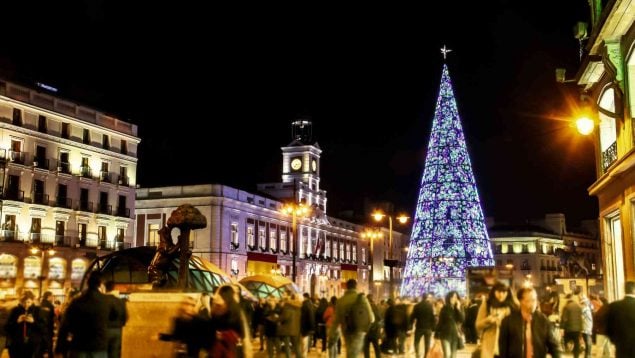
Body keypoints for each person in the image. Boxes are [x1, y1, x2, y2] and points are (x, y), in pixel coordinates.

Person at [55, 271, 115, 357]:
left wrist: (59, 348)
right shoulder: (107, 301)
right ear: (100, 284)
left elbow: (65, 326)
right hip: (99, 347)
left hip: (79, 347)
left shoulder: (77, 302)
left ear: (88, 283)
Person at [498, 287, 561, 358]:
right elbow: (503, 348)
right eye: (529, 300)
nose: (533, 303)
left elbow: (554, 346)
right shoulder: (508, 321)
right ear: (521, 301)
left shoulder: (543, 320)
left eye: (534, 300)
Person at [329, 279, 374, 358]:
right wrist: (365, 329)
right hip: (359, 331)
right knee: (353, 353)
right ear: (356, 286)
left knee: (350, 352)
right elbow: (372, 318)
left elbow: (336, 321)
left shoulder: (340, 301)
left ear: (346, 287)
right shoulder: (362, 299)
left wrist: (331, 334)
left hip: (347, 331)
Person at [476, 282, 517, 358]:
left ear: (508, 293)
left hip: (509, 346)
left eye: (504, 292)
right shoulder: (487, 304)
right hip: (491, 347)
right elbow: (478, 325)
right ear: (494, 292)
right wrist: (488, 320)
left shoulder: (514, 306)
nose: (501, 295)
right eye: (498, 292)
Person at [211, 284, 253, 358]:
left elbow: (243, 332)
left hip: (232, 347)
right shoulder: (217, 309)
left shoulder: (236, 309)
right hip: (221, 348)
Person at [5, 292, 43, 358]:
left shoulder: (38, 310)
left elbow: (43, 328)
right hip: (17, 344)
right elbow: (7, 328)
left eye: (28, 302)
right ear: (20, 301)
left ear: (32, 301)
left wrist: (33, 322)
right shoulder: (15, 310)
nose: (26, 305)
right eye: (24, 302)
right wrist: (17, 321)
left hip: (32, 344)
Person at [606, 281, 635, 358]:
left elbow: (608, 327)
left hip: (621, 345)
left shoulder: (614, 306)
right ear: (634, 290)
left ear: (624, 290)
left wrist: (615, 340)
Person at [435, 291, 464, 358]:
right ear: (449, 298)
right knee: (447, 355)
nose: (453, 299)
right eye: (452, 297)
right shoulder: (445, 308)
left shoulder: (458, 308)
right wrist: (436, 335)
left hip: (455, 335)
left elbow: (462, 319)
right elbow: (441, 322)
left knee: (453, 356)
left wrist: (458, 308)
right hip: (445, 335)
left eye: (455, 297)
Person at [103, 281, 128, 358]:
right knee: (115, 353)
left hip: (104, 330)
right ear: (114, 288)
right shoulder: (119, 301)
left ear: (105, 288)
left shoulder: (101, 300)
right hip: (117, 330)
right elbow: (125, 316)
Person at [410, 293, 435, 358]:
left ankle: (417, 355)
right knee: (427, 343)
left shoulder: (417, 306)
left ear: (422, 297)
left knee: (416, 342)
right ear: (427, 298)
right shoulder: (430, 306)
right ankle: (425, 356)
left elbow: (413, 316)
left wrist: (410, 325)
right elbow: (432, 317)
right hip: (428, 327)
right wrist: (433, 327)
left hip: (419, 327)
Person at [561, 292, 582, 358]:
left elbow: (564, 318)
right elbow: (580, 317)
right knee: (576, 342)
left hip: (569, 328)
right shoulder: (578, 306)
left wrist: (562, 327)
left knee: (565, 339)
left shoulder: (566, 307)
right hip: (577, 328)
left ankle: (568, 350)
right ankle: (576, 355)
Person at [39, 291, 56, 358]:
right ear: (48, 297)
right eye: (52, 296)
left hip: (41, 328)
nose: (53, 298)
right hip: (48, 328)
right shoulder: (50, 305)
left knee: (41, 346)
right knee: (49, 346)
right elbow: (52, 317)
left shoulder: (41, 304)